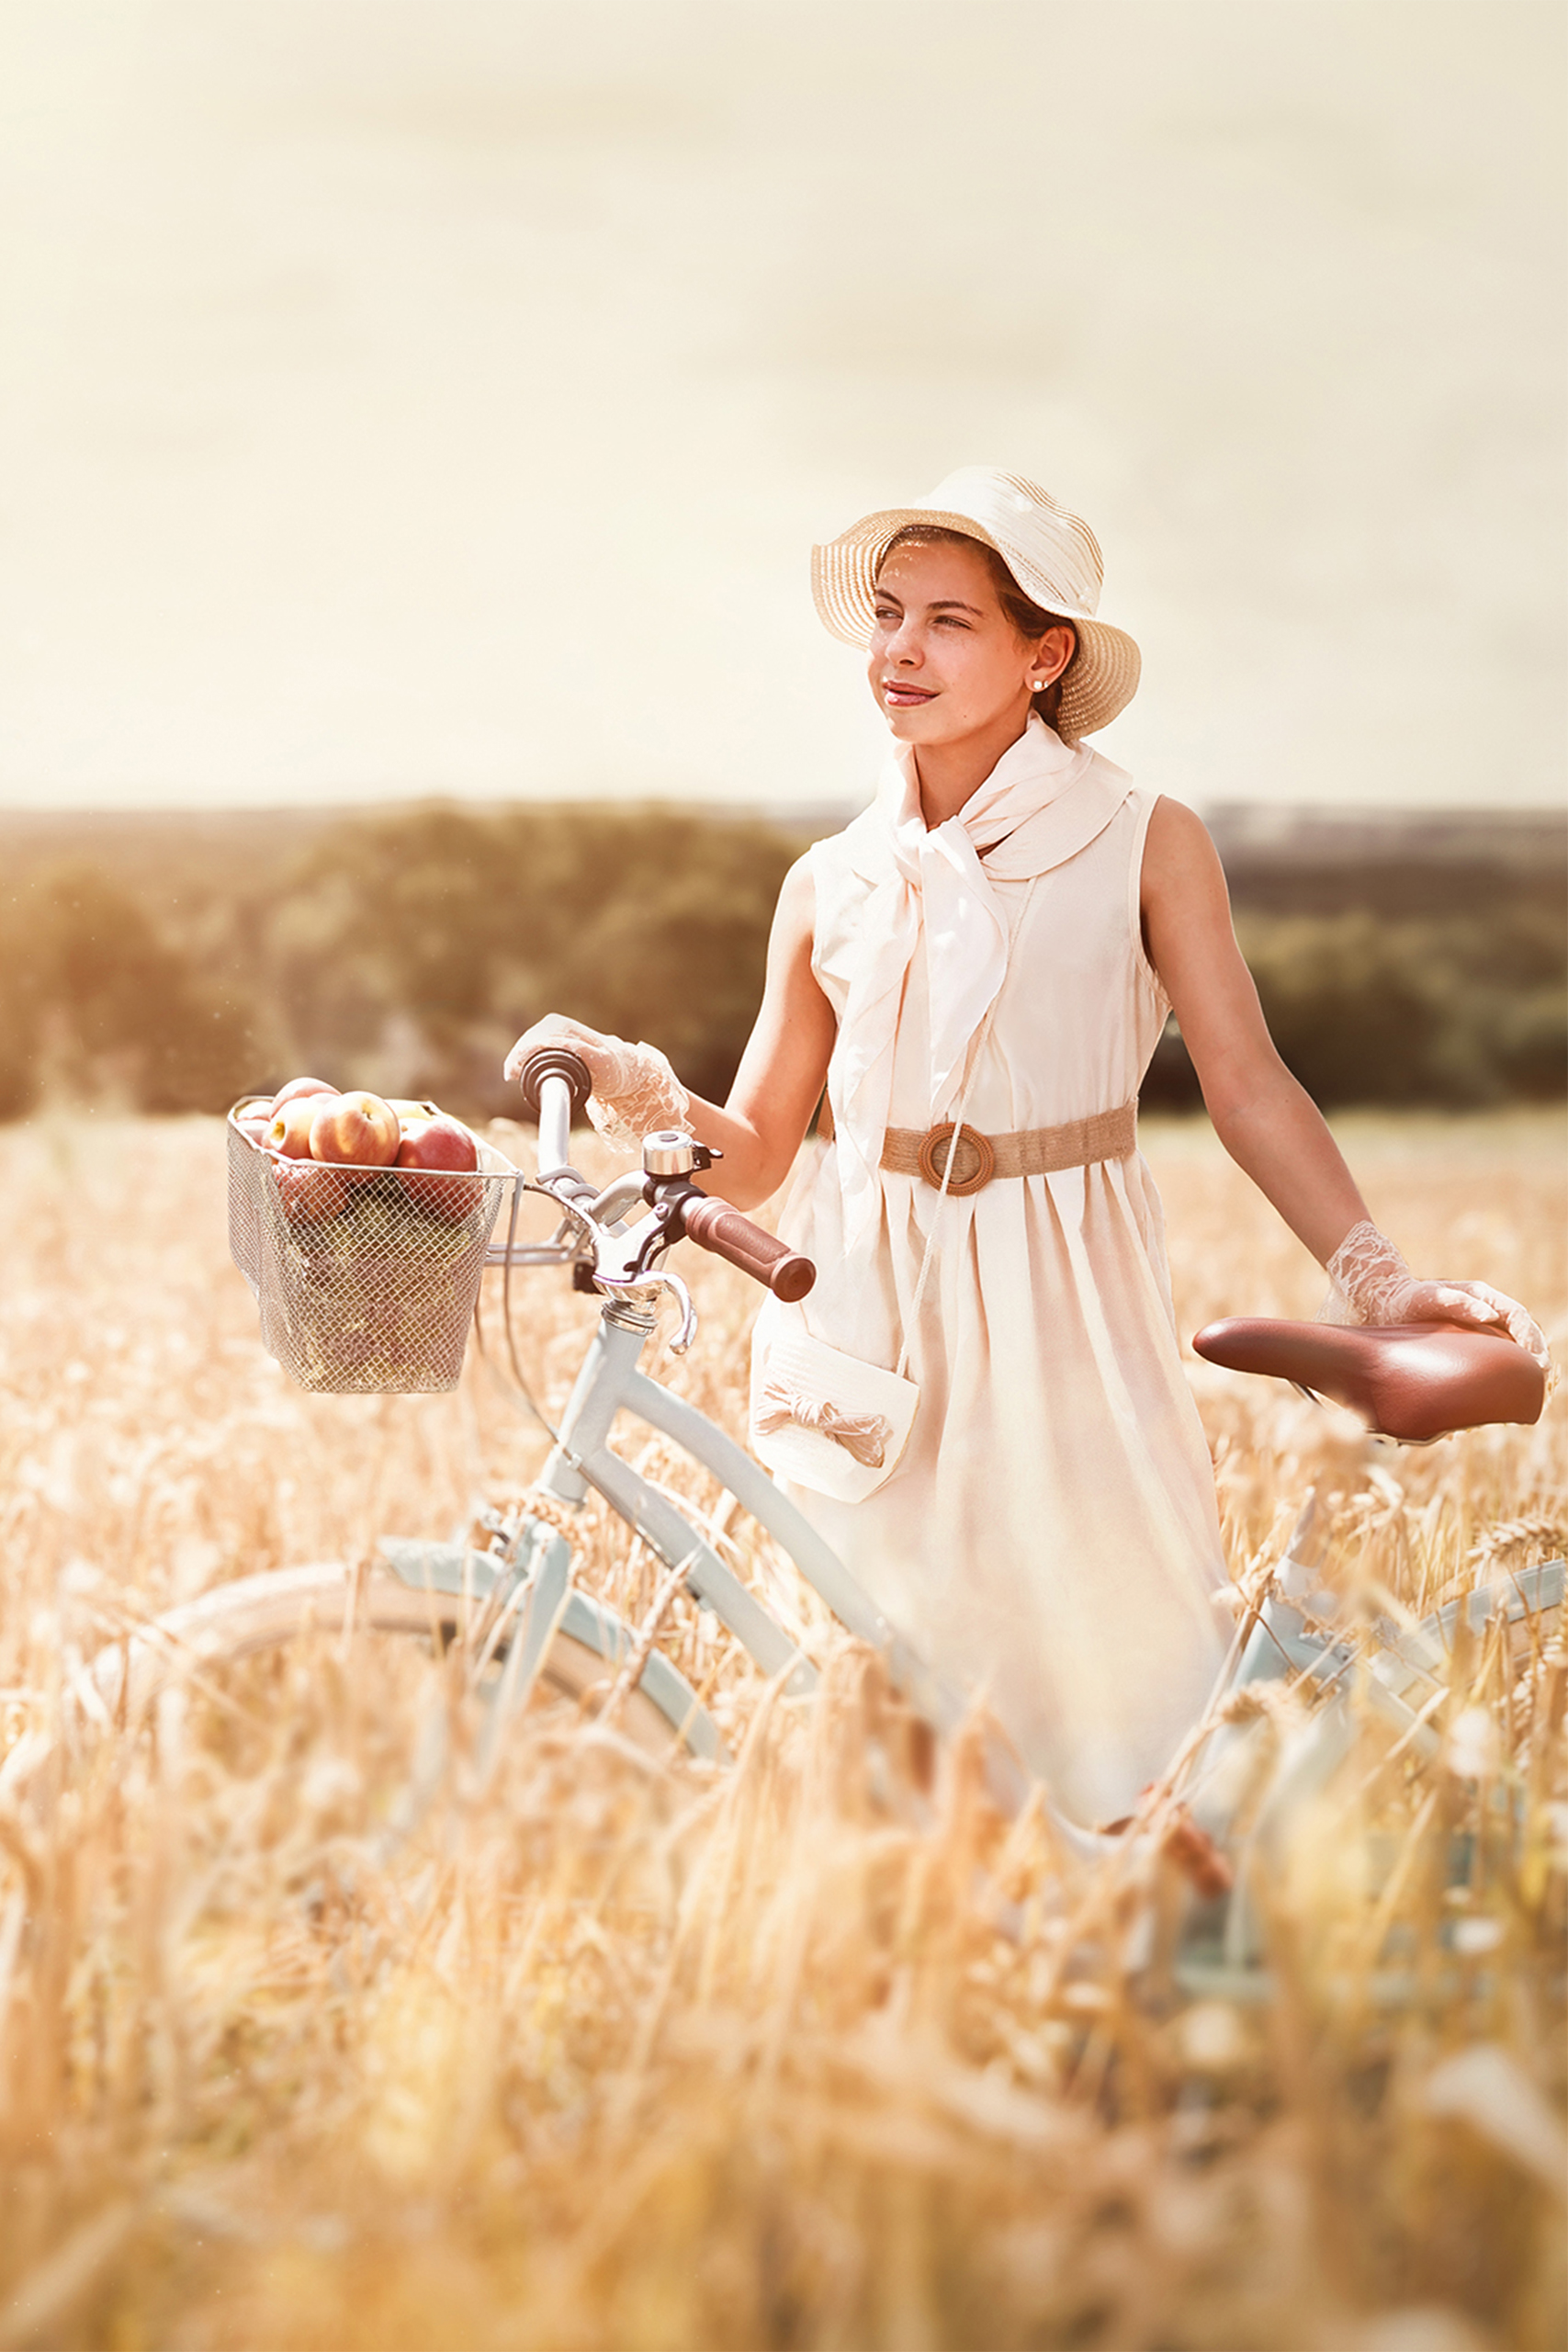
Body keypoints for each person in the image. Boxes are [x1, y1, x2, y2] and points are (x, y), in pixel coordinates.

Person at [504, 468, 1549, 1828]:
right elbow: (755, 1155)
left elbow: (1248, 1088)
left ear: (1044, 655)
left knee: (1119, 1699)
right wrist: (636, 1081)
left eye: (950, 622)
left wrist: (1378, 1279)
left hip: (1063, 1299)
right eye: (889, 614)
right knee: (879, 1711)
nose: (900, 649)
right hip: (862, 1311)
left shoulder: (1144, 840)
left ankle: (1168, 1919)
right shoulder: (829, 879)